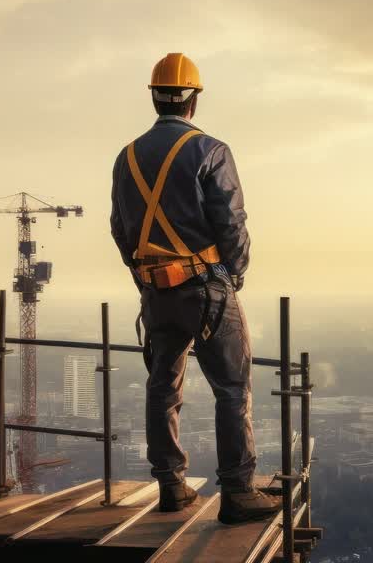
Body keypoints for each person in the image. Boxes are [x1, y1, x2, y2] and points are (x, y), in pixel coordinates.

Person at [109, 52, 281, 524]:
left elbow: (121, 230)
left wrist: (147, 276)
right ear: (193, 99)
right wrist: (235, 273)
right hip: (206, 289)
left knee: (163, 385)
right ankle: (239, 491)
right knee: (232, 389)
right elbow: (231, 221)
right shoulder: (210, 150)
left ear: (154, 96)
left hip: (156, 292)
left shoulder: (126, 157)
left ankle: (170, 485)